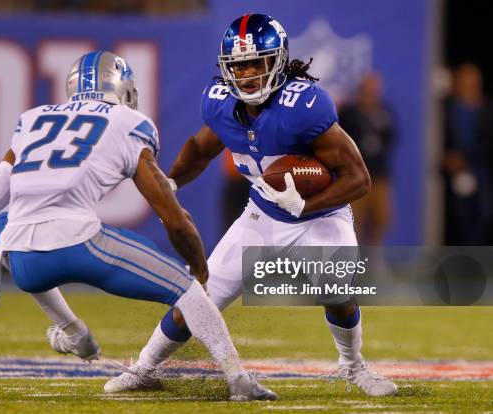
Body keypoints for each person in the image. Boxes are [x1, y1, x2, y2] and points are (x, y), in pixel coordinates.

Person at [0, 50, 276, 402]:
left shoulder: (33, 120)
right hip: (79, 246)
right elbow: (174, 218)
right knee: (190, 293)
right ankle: (238, 379)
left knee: (3, 223)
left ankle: (74, 332)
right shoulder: (129, 122)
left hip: (23, 264)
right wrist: (197, 267)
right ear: (124, 91)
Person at [104, 14, 398, 397]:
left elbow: (359, 178)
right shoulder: (221, 104)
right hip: (261, 213)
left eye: (256, 63)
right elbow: (200, 147)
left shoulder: (303, 107)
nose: (247, 75)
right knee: (200, 296)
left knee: (337, 290)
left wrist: (305, 205)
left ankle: (355, 367)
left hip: (320, 215)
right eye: (239, 66)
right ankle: (144, 368)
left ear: (276, 62)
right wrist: (172, 181)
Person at [338, 72, 396, 245]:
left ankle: (374, 259)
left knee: (381, 220)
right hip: (356, 177)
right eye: (368, 88)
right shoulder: (348, 112)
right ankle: (351, 261)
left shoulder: (385, 112)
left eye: (374, 88)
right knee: (353, 222)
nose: (371, 92)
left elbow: (392, 138)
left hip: (379, 175)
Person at [442, 63, 493, 245]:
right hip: (456, 167)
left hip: (479, 166)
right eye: (463, 78)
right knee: (459, 214)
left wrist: (469, 159)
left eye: (471, 79)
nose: (467, 83)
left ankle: (476, 256)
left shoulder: (486, 108)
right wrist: (450, 157)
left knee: (483, 213)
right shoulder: (448, 108)